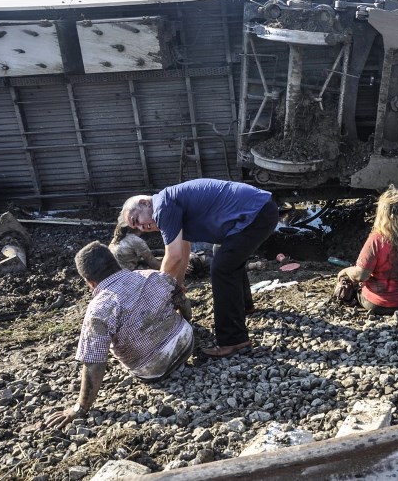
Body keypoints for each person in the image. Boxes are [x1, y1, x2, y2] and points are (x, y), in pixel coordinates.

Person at [121, 178, 278, 358]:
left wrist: (159, 293)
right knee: (224, 254)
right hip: (259, 210)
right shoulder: (169, 204)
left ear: (144, 203)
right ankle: (244, 307)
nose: (142, 227)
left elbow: (173, 256)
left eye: (137, 220)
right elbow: (183, 252)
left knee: (222, 267)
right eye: (137, 227)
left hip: (257, 213)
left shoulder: (163, 206)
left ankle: (233, 340)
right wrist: (177, 287)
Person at [45, 242, 193, 429]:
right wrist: (188, 322)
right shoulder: (152, 275)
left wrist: (80, 408)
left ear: (90, 282)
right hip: (187, 342)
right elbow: (182, 301)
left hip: (153, 369)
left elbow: (94, 363)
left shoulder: (98, 310)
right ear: (116, 263)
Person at [337, 186, 398, 314]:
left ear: (382, 212)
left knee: (350, 287)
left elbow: (361, 275)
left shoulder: (376, 239)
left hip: (382, 303)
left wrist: (345, 271)